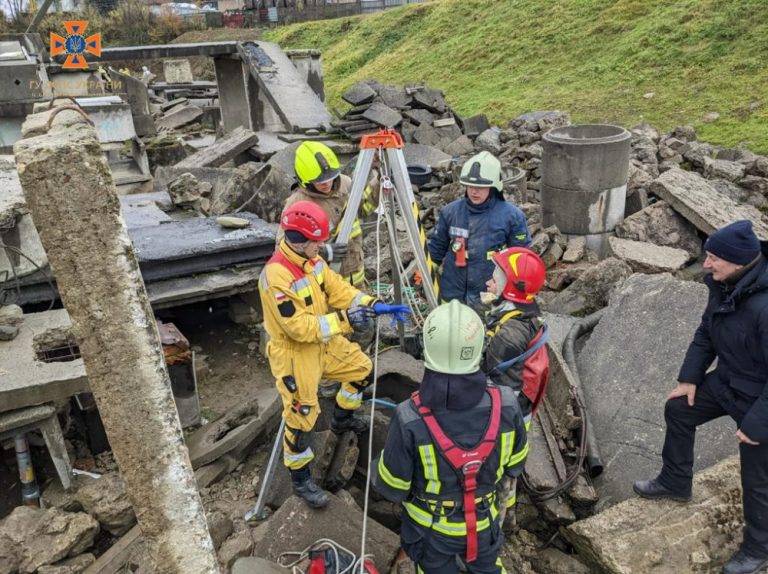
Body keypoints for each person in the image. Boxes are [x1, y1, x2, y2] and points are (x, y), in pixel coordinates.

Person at [633, 220, 768, 574]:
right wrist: (689, 378)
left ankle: (757, 549)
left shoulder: (765, 307)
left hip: (759, 398)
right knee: (679, 409)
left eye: (713, 258)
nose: (705, 264)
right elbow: (707, 331)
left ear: (738, 261)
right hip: (728, 382)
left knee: (757, 477)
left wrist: (757, 424)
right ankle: (675, 481)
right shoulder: (723, 285)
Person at [259, 200, 409, 508]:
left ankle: (343, 419)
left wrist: (370, 304)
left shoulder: (311, 262)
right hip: (295, 354)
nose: (322, 246)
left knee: (362, 369)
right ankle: (300, 481)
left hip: (324, 342)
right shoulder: (276, 277)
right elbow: (298, 328)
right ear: (300, 240)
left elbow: (338, 289)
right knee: (302, 418)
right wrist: (344, 321)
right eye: (318, 241)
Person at [372, 300, 529, 574]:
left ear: (426, 350)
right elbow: (515, 465)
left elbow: (392, 486)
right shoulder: (506, 403)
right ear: (479, 350)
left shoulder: (409, 416)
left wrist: (377, 465)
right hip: (484, 524)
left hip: (431, 533)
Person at [428, 151, 530, 311]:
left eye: (480, 187)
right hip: (452, 293)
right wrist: (425, 276)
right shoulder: (450, 212)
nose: (474, 191)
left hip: (488, 296)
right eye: (470, 186)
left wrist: (511, 293)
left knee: (486, 333)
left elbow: (521, 260)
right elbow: (435, 251)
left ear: (494, 186)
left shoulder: (512, 216)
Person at [277, 141, 380, 288]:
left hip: (356, 279)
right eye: (319, 181)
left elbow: (363, 208)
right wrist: (322, 252)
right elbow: (283, 247)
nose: (327, 184)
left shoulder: (344, 184)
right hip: (325, 286)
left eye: (329, 178)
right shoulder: (297, 203)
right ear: (305, 180)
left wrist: (380, 180)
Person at [482, 247, 549, 425]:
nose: (488, 283)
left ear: (509, 288)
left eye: (494, 281)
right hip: (517, 409)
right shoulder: (525, 312)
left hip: (508, 420)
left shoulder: (509, 335)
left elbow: (498, 388)